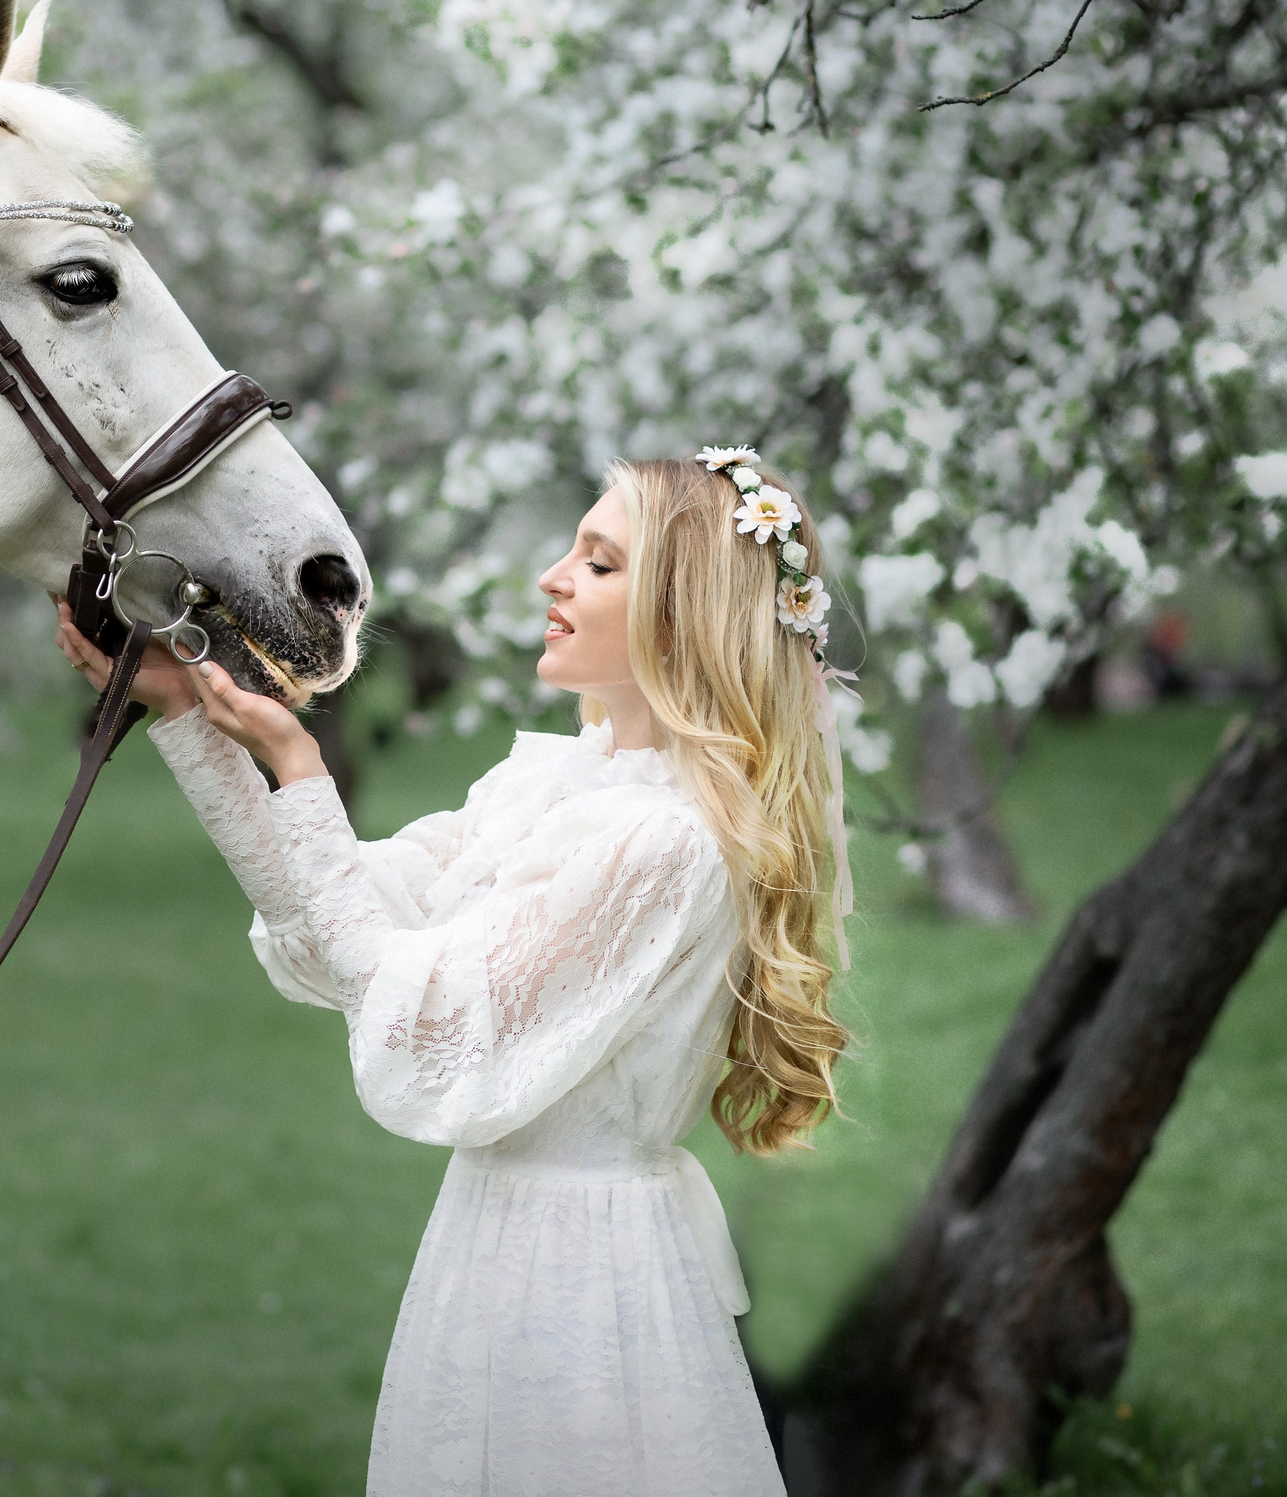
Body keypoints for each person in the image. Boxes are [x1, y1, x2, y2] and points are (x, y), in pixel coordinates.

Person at [56, 450, 853, 1497]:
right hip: (492, 1253)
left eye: (600, 564)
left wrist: (300, 766)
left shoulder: (661, 842)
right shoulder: (557, 786)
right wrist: (190, 721)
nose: (552, 579)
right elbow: (342, 924)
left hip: (585, 1291)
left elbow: (426, 1018)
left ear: (679, 614)